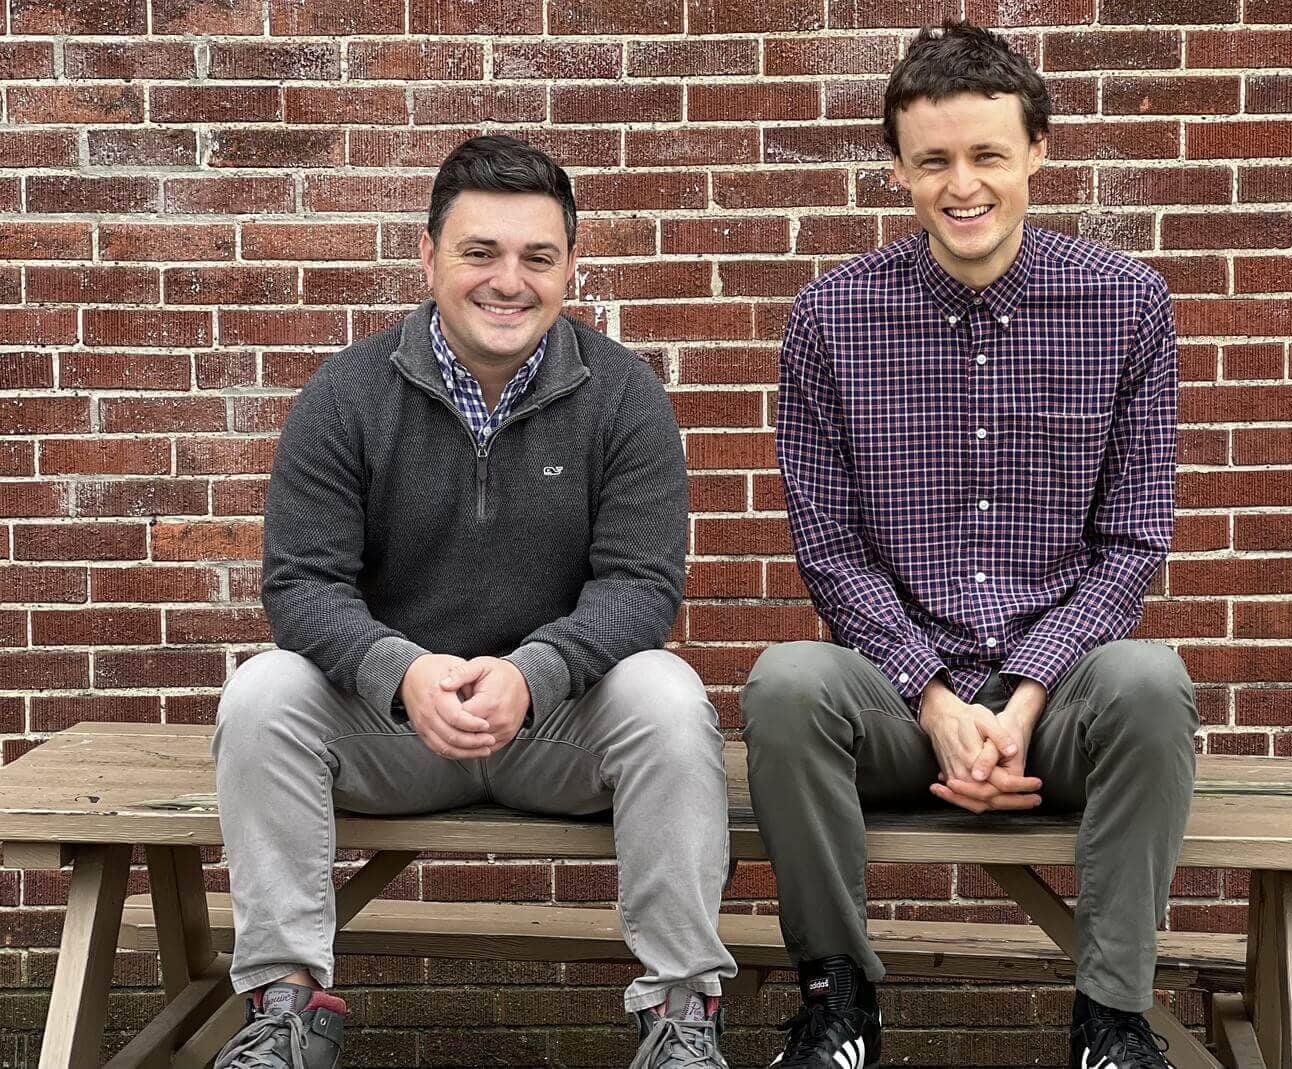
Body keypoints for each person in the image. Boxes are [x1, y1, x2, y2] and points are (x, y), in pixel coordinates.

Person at [211, 135, 736, 1069]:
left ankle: (679, 1017)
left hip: (560, 728)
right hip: (398, 730)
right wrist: (400, 671)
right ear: (428, 258)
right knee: (263, 694)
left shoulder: (623, 396)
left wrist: (534, 675)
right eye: (479, 252)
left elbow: (641, 586)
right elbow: (301, 583)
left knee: (666, 691)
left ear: (572, 266)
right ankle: (286, 1009)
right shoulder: (347, 394)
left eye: (538, 257)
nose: (509, 280)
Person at [741, 21, 1197, 1069]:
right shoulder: (830, 318)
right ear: (897, 167)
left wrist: (1025, 695)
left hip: (1065, 708)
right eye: (934, 159)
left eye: (987, 154)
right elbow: (831, 550)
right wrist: (935, 698)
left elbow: (1131, 545)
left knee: (1152, 680)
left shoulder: (1129, 305)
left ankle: (1113, 1025)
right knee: (785, 684)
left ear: (1037, 151)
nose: (963, 184)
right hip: (899, 708)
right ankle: (837, 1007)